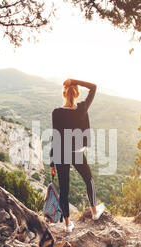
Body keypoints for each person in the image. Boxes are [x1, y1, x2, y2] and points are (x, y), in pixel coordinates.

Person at [49, 78, 105, 233]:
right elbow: (93, 87)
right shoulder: (82, 108)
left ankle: (67, 225)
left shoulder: (57, 112)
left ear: (64, 93)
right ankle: (94, 211)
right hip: (78, 154)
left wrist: (52, 162)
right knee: (89, 179)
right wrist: (74, 80)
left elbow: (55, 137)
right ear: (77, 93)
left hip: (61, 153)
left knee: (64, 190)